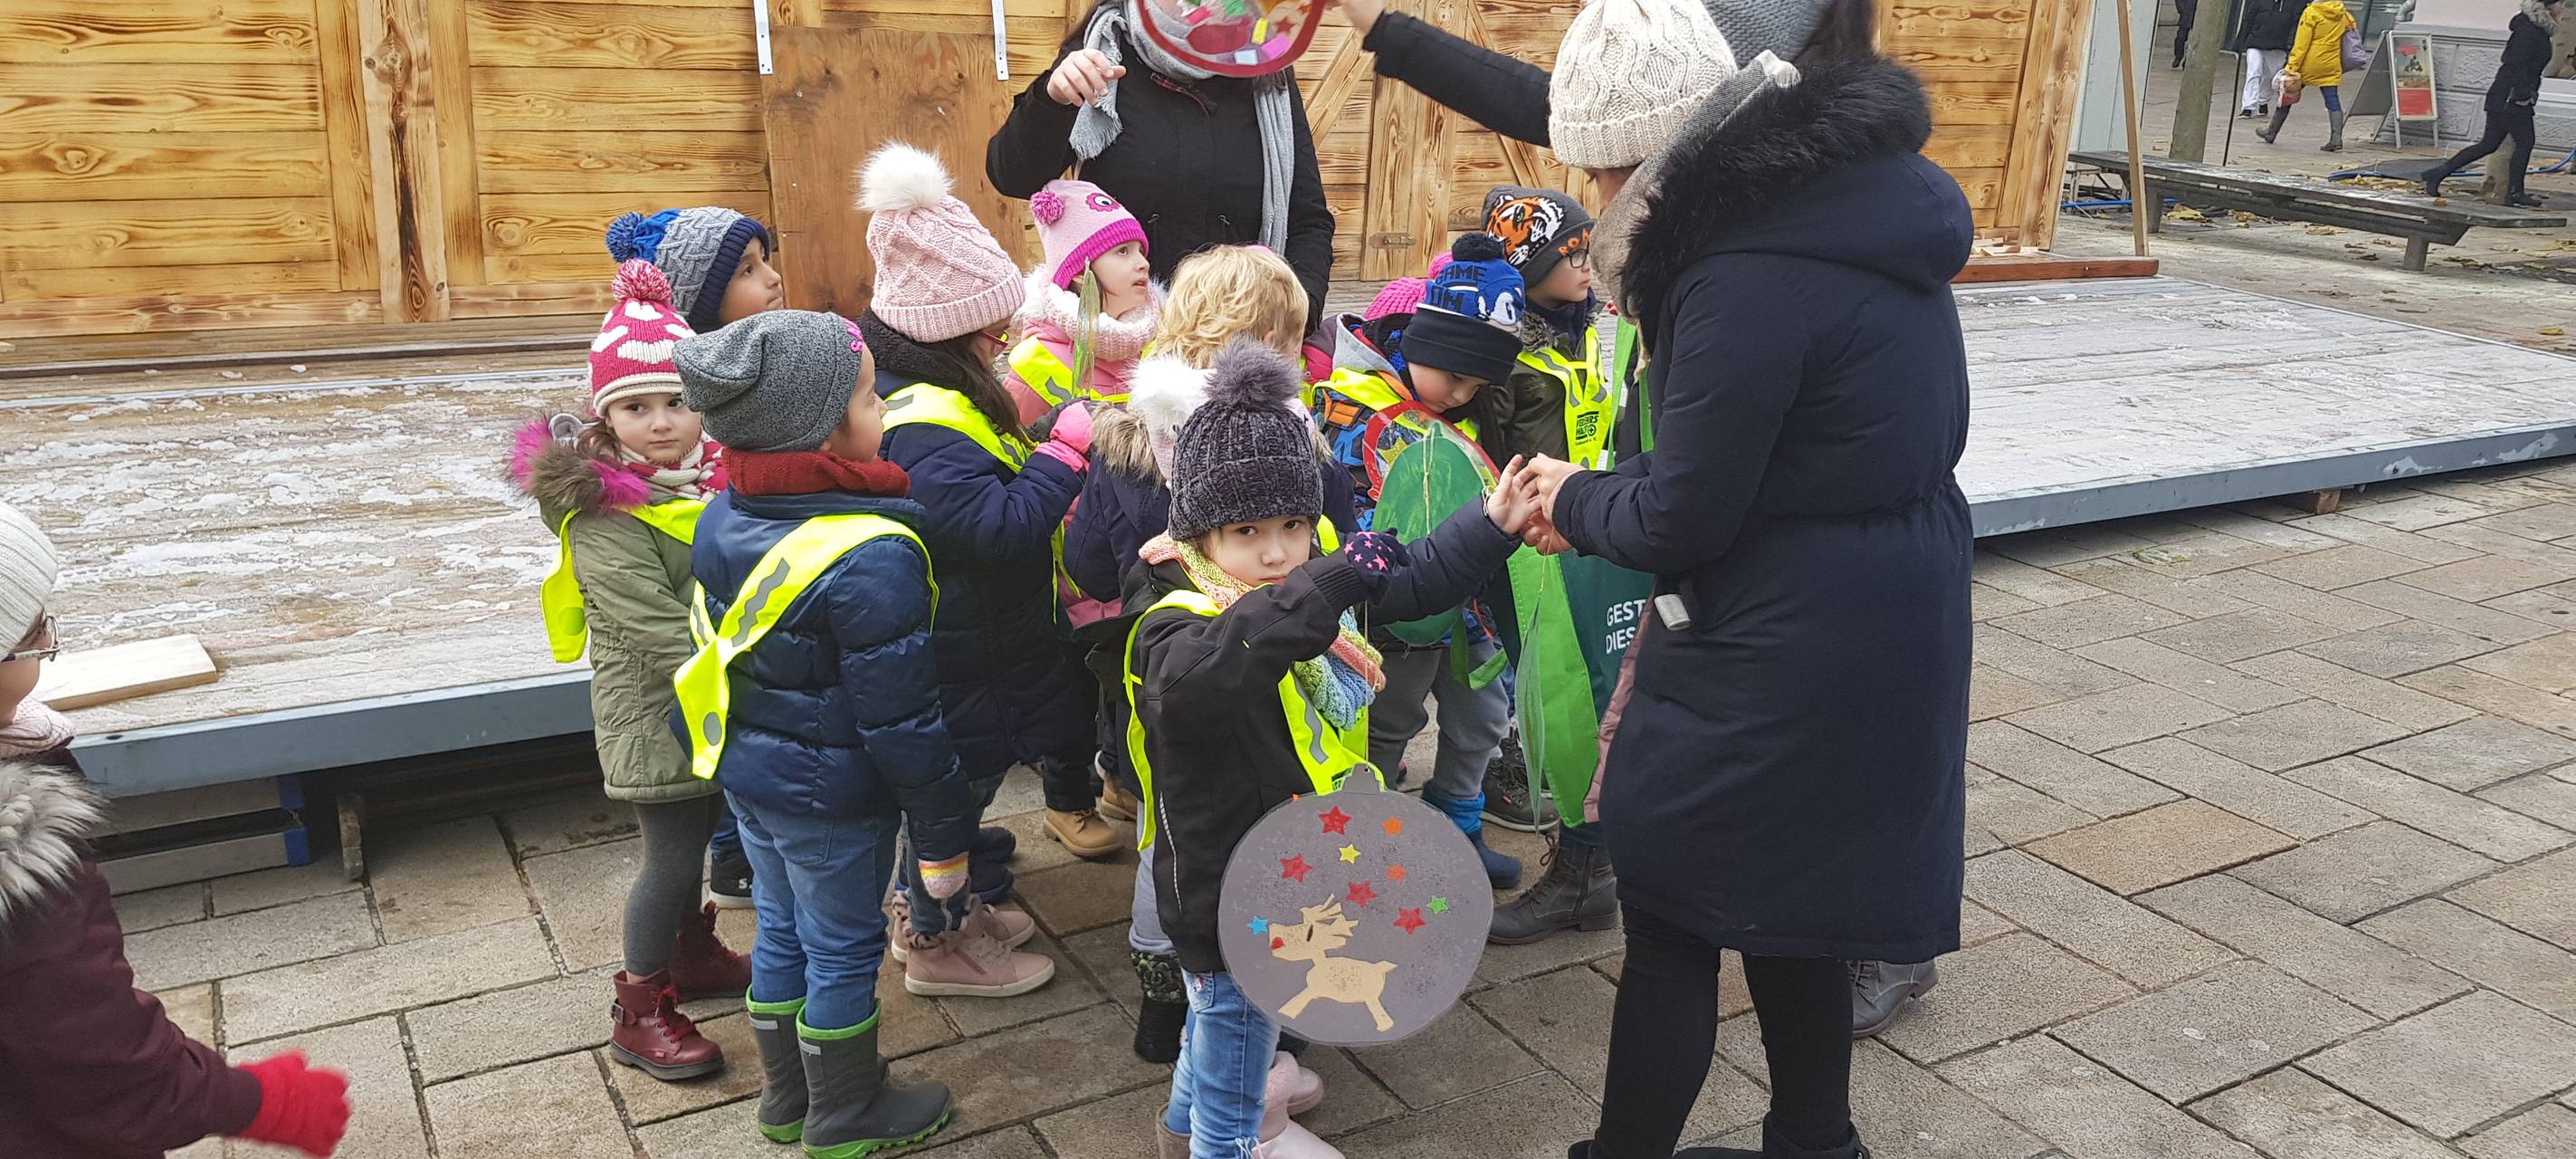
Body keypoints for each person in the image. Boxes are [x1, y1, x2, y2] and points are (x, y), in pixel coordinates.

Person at [1503, 0, 1973, 1153]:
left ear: (1648, 154)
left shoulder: (1738, 268)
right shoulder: (1844, 201)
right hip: (1879, 593)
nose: (1596, 201)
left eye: (1601, 171)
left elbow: (1682, 508)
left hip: (1786, 619)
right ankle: (1815, 1138)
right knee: (1791, 910)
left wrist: (1565, 494)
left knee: (1671, 915)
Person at [1124, 340, 1539, 1159]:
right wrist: (1327, 583)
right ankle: (1224, 1146)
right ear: (1200, 535)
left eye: (1292, 526)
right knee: (1237, 1040)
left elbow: (1411, 580)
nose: (1279, 552)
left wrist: (1488, 527)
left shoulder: (1310, 591)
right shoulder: (1177, 618)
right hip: (1223, 884)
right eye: (1248, 532)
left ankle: (1183, 1130)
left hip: (1295, 863)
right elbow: (1210, 682)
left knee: (1222, 1028)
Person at [673, 309, 977, 1154]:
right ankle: (845, 1115)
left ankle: (786, 1099)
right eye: (872, 398)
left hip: (753, 779)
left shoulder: (723, 514)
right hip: (834, 797)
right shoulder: (872, 552)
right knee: (843, 947)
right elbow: (903, 720)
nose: (885, 413)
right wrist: (947, 831)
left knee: (778, 926)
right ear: (828, 430)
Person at [1064, 244, 1355, 1067]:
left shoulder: (1119, 440)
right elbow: (1329, 532)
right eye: (1292, 342)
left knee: (1167, 845)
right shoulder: (1286, 445)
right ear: (1264, 347)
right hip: (1254, 695)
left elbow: (1085, 561)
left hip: (1147, 688)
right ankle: (1265, 1017)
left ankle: (1164, 1017)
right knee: (1255, 846)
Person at [0, 503, 355, 1159]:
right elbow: (87, 1046)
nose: (47, 643)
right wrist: (254, 1099)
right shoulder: (17, 850)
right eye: (33, 633)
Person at [509, 260, 751, 1082]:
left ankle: (690, 952)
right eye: (636, 407)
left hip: (702, 700)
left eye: (678, 403)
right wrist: (739, 676)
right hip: (656, 707)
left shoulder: (703, 481)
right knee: (673, 853)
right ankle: (639, 1008)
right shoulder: (605, 512)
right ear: (603, 417)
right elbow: (655, 624)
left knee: (695, 833)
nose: (660, 424)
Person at [856, 142, 1117, 885]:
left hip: (980, 639)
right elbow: (992, 528)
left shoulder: (929, 390)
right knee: (954, 787)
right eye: (993, 331)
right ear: (948, 332)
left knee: (966, 790)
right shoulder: (923, 422)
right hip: (962, 649)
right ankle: (931, 922)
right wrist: (1063, 453)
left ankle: (959, 861)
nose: (1004, 342)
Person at [1313, 236, 1532, 890]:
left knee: (1484, 713)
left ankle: (1457, 824)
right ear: (1420, 346)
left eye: (1477, 385)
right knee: (1391, 720)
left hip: (1463, 601)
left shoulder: (1458, 417)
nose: (1462, 395)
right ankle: (1364, 840)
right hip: (1394, 612)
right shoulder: (1352, 411)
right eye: (1455, 376)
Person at [604, 202, 787, 908]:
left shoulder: (757, 367)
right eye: (747, 270)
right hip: (683, 661)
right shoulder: (666, 443)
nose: (770, 280)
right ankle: (730, 856)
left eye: (766, 260)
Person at [987, 0, 1337, 334]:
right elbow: (1013, 176)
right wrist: (1053, 98)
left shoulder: (1265, 68)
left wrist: (1296, 315)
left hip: (1238, 340)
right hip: (1119, 339)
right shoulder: (1104, 47)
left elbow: (1307, 220)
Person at [1475, 185, 1625, 946]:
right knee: (1556, 701)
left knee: (1593, 699)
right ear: (1525, 267)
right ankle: (1582, 867)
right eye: (1571, 255)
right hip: (1536, 548)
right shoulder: (1507, 355)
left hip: (1598, 533)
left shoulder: (1597, 329)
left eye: (1588, 248)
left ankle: (1587, 869)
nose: (1588, 263)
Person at [999, 179, 1162, 421]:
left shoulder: (1161, 345)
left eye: (1140, 251)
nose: (1143, 263)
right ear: (1078, 271)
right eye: (1123, 251)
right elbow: (1018, 453)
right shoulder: (1036, 364)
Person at [2421, 0, 2562, 207]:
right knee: (2525, 142)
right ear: (2549, 6)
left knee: (2489, 144)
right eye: (2560, 4)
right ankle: (2515, 191)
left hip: (2505, 95)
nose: (2562, 9)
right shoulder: (2530, 30)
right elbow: (2517, 64)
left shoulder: (2535, 28)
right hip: (2511, 98)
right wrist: (2521, 95)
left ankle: (2438, 173)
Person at [2257, 0, 2358, 148]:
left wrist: (2292, 66)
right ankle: (2336, 138)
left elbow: (2301, 44)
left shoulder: (2311, 12)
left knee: (2287, 94)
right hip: (2331, 63)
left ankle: (2271, 132)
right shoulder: (2343, 14)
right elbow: (2352, 32)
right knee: (2332, 100)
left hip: (2309, 63)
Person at [2232, 0, 2302, 117]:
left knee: (2272, 76)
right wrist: (2239, 43)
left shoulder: (2293, 4)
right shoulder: (2259, 2)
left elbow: (2295, 25)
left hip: (2278, 46)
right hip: (2255, 41)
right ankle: (2248, 107)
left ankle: (2263, 100)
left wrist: (2290, 44)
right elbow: (2248, 21)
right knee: (2253, 73)